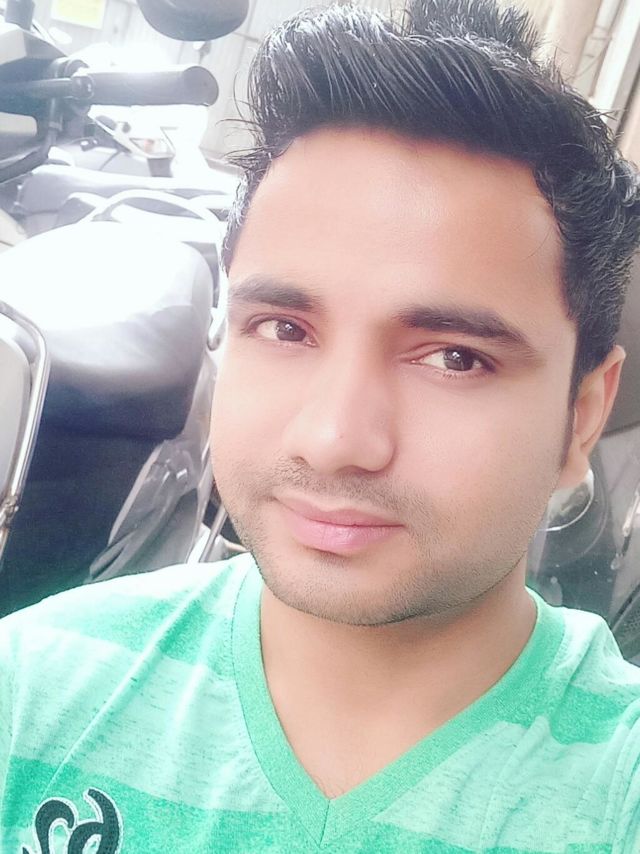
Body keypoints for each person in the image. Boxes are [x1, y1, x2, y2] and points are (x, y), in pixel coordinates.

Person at [2, 0, 640, 850]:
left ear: (581, 417)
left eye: (455, 358)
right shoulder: (32, 690)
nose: (334, 439)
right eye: (285, 329)